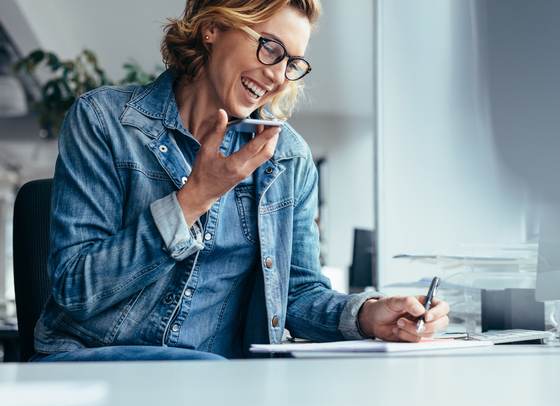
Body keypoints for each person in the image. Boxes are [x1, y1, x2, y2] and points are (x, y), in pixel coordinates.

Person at [32, 0, 449, 362]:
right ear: (212, 28)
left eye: (292, 63)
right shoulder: (106, 121)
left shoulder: (288, 158)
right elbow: (76, 290)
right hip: (95, 366)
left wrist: (367, 315)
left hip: (213, 388)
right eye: (270, 48)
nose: (279, 75)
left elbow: (298, 296)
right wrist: (194, 197)